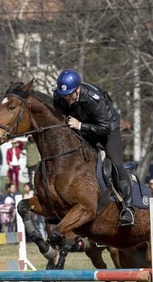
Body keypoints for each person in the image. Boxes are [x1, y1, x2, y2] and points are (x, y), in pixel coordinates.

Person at [52, 68, 134, 226]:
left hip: (107, 129)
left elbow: (104, 128)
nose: (67, 98)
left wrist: (80, 125)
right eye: (64, 95)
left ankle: (128, 209)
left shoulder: (92, 99)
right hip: (81, 127)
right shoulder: (60, 97)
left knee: (116, 164)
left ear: (78, 89)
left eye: (70, 94)